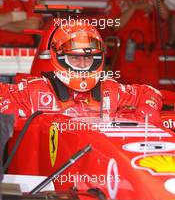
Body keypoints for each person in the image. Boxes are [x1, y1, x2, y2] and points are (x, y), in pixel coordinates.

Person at [0, 21, 162, 127]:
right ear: (60, 57)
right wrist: (10, 114)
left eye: (89, 58)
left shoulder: (110, 90)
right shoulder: (35, 91)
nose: (84, 64)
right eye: (75, 58)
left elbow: (149, 92)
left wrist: (144, 120)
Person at [110, 0, 169, 87]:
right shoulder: (115, 2)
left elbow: (165, 15)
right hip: (127, 56)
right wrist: (135, 7)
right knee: (127, 96)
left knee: (151, 95)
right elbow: (115, 26)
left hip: (149, 55)